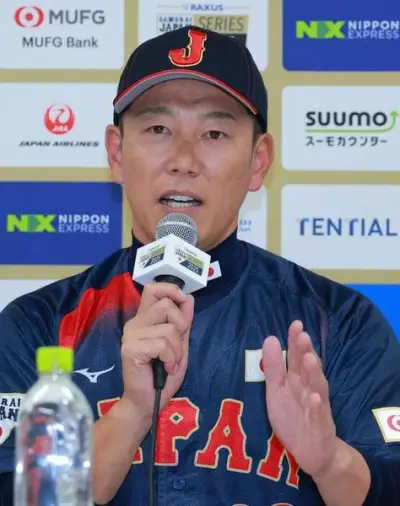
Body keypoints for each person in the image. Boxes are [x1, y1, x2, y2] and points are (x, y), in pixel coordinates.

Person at [0, 25, 399, 506]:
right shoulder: (41, 324)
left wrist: (331, 462)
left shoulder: (338, 322)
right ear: (117, 153)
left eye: (214, 133)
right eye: (158, 129)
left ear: (258, 161)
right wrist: (131, 413)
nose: (184, 160)